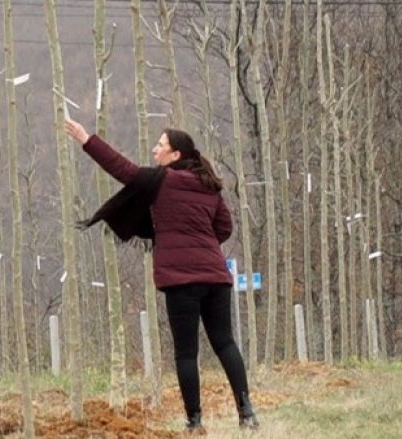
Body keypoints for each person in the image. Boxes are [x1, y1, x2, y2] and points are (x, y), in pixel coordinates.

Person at [64, 118, 259, 433]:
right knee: (225, 343)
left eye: (160, 146)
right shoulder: (210, 186)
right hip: (215, 276)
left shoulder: (161, 181)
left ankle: (195, 422)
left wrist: (87, 139)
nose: (155, 150)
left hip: (181, 280)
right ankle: (247, 412)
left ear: (176, 155)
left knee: (186, 351)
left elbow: (121, 169)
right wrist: (200, 242)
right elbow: (224, 228)